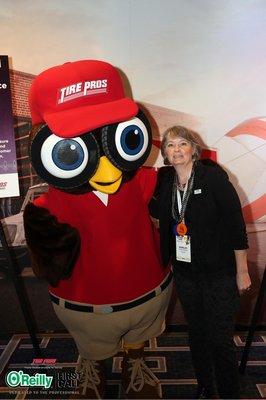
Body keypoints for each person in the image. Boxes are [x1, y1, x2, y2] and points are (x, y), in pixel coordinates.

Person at [150, 125, 251, 399]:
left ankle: (229, 392)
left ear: (194, 149)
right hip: (186, 272)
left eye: (182, 144)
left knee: (220, 338)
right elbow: (152, 211)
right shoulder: (166, 182)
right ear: (166, 155)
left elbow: (235, 226)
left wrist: (242, 271)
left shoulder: (213, 178)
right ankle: (205, 384)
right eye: (170, 146)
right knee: (197, 334)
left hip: (219, 272)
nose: (176, 150)